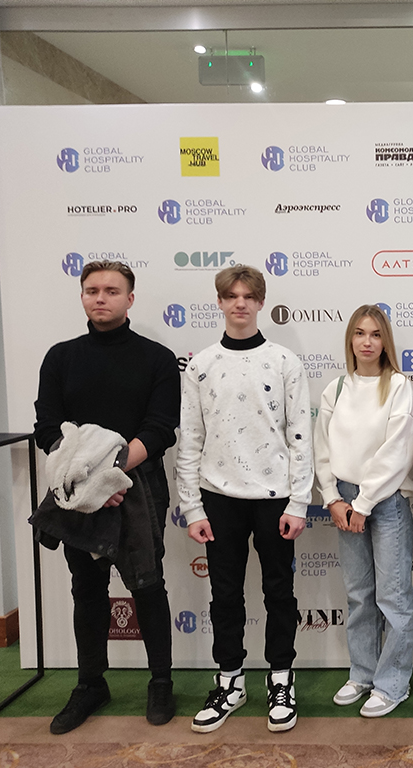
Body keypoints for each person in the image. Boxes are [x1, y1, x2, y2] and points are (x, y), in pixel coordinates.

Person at [33, 260, 180, 734]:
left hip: (138, 487)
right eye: (92, 290)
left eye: (112, 291)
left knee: (147, 585)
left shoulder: (157, 358)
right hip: (75, 489)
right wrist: (89, 484)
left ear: (130, 299)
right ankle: (90, 684)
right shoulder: (61, 357)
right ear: (82, 296)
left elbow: (160, 429)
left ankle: (161, 682)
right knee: (87, 586)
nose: (101, 297)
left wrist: (110, 477)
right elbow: (47, 428)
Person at [177, 265, 312, 734]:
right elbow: (190, 439)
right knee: (224, 595)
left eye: (248, 296)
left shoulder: (284, 361)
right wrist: (192, 506)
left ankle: (281, 679)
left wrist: (299, 502)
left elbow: (300, 436)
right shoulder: (200, 365)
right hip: (218, 500)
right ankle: (230, 682)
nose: (240, 303)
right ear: (219, 302)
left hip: (275, 499)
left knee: (279, 593)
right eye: (231, 296)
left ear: (260, 302)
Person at [314, 305, 413, 718]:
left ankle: (392, 684)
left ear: (385, 341)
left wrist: (363, 503)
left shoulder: (398, 386)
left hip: (386, 501)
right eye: (360, 333)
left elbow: (398, 451)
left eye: (375, 334)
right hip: (343, 499)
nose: (367, 342)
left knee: (393, 596)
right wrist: (333, 498)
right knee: (359, 594)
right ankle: (361, 672)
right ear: (350, 340)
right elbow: (322, 447)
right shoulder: (336, 388)